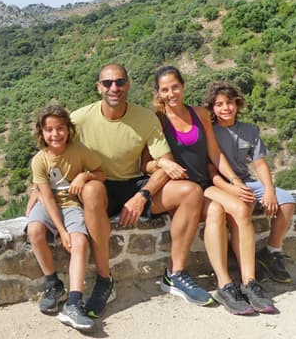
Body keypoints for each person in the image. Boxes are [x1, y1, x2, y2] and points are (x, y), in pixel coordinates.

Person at [69, 63, 213, 318]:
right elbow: (53, 151)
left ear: (128, 84)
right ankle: (105, 280)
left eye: (120, 82)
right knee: (91, 192)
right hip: (100, 186)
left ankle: (175, 274)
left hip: (134, 183)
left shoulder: (145, 117)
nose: (114, 88)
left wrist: (142, 195)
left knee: (191, 192)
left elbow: (164, 164)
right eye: (107, 83)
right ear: (98, 87)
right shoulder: (79, 119)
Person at [151, 66, 276, 314]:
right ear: (159, 93)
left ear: (183, 86)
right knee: (217, 211)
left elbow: (215, 154)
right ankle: (225, 284)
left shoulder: (199, 114)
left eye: (175, 87)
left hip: (205, 184)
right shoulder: (157, 120)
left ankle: (249, 283)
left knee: (241, 208)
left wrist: (235, 181)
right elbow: (146, 160)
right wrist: (164, 163)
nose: (171, 93)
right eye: (165, 90)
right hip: (179, 189)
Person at [204, 81, 296, 283]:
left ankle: (271, 252)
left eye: (229, 102)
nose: (225, 108)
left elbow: (260, 163)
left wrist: (269, 190)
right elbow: (211, 170)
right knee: (244, 204)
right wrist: (232, 188)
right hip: (222, 185)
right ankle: (241, 263)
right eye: (219, 104)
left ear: (237, 104)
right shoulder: (209, 132)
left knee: (287, 202)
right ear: (212, 108)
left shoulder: (249, 130)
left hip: (247, 181)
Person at [25, 104, 105, 331]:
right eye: (49, 129)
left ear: (68, 129)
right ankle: (53, 284)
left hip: (72, 205)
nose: (55, 134)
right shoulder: (39, 160)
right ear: (41, 133)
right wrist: (61, 231)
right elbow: (47, 198)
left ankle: (74, 301)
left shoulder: (79, 151)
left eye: (60, 128)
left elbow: (101, 173)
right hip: (48, 206)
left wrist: (84, 175)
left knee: (80, 241)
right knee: (34, 231)